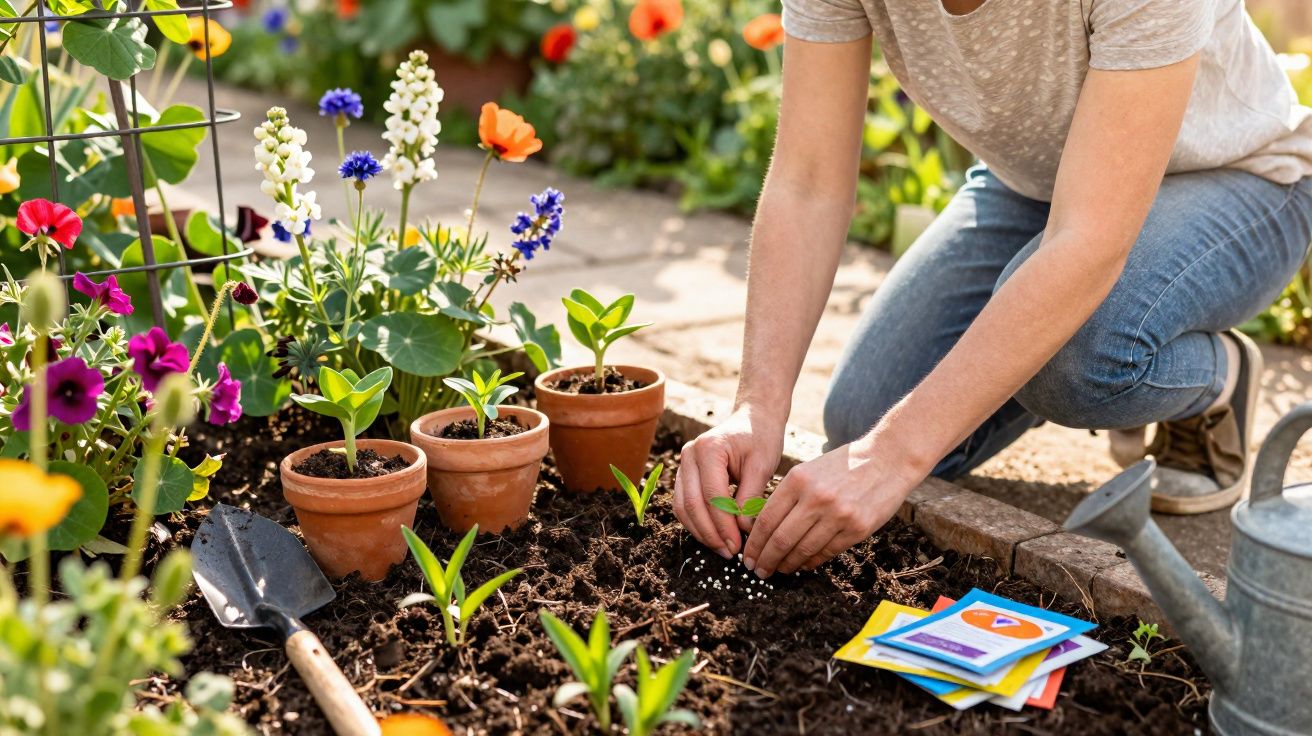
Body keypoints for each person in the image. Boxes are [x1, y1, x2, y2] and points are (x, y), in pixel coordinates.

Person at [673, 0, 1312, 580]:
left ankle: (1217, 379)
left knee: (1074, 357)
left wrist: (892, 457)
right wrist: (757, 407)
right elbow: (808, 183)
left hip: (1243, 178)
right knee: (865, 421)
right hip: (1038, 188)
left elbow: (1088, 242)